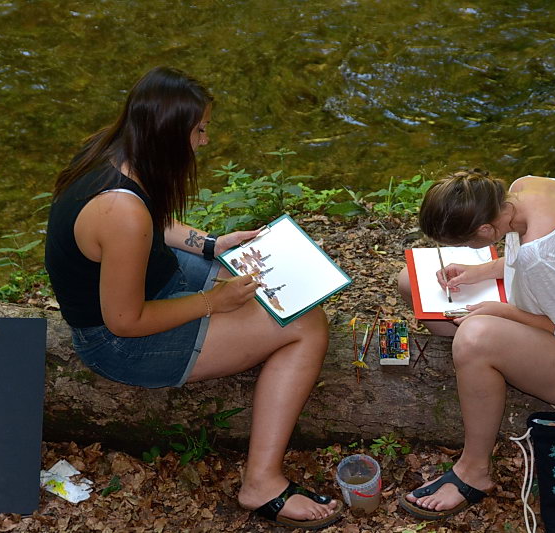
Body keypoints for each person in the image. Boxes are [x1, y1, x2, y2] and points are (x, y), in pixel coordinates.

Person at [45, 66, 342, 529]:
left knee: (257, 273)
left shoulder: (113, 149)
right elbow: (124, 320)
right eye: (200, 129)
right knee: (306, 323)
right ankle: (261, 483)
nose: (205, 140)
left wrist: (211, 245)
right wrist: (213, 304)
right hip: (117, 341)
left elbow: (150, 221)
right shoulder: (119, 210)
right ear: (166, 133)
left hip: (156, 280)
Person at [396, 169, 555, 520]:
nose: (467, 250)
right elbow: (531, 261)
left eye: (467, 244)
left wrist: (502, 313)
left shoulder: (540, 255)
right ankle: (482, 357)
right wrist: (478, 272)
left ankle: (474, 471)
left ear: (485, 230)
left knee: (475, 337)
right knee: (411, 281)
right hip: (549, 312)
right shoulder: (524, 189)